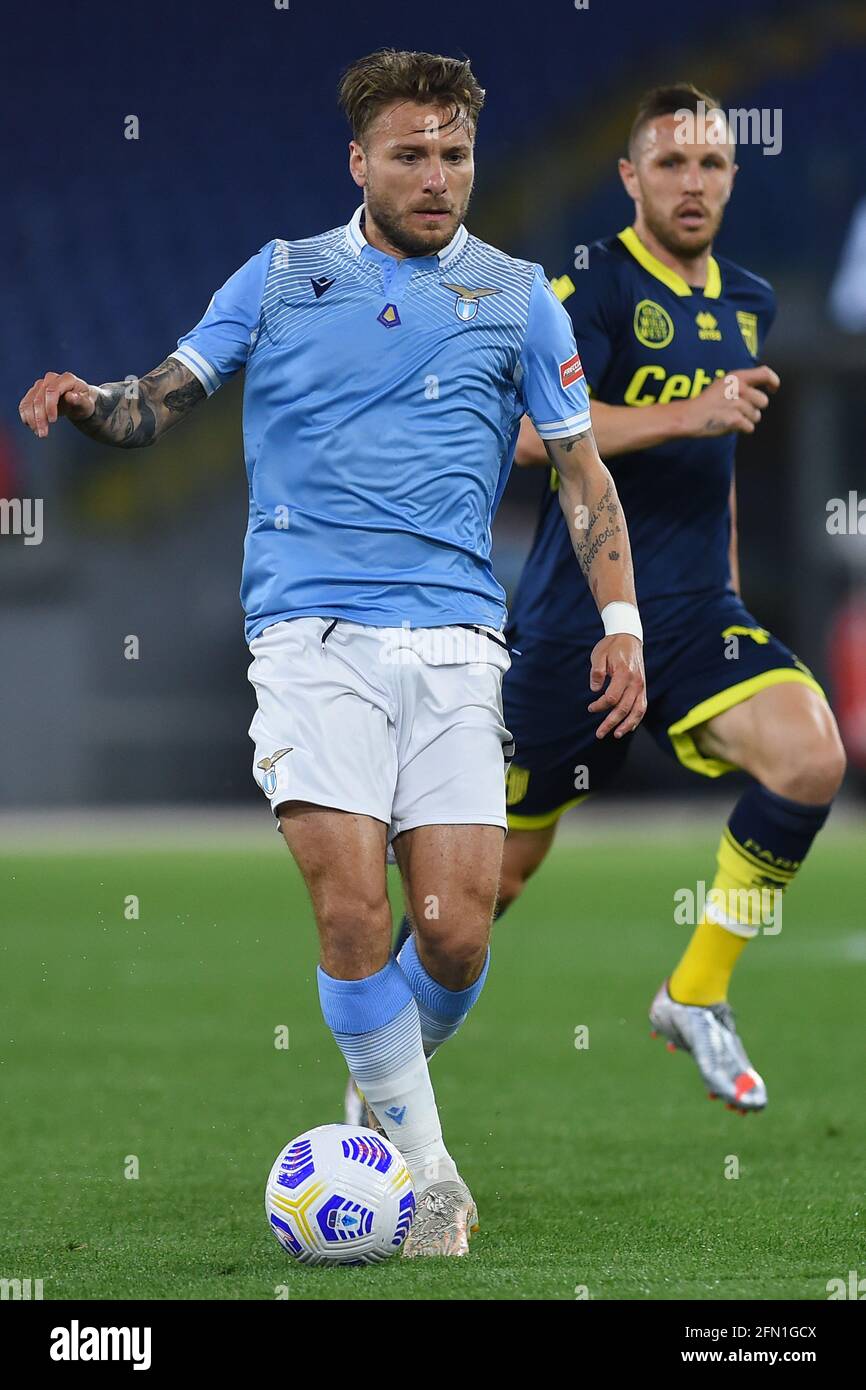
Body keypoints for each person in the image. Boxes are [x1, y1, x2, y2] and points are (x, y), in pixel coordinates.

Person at [19, 49, 645, 1253]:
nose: (436, 175)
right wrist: (97, 404)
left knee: (454, 932)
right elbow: (161, 398)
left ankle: (379, 1080)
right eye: (410, 154)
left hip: (458, 640)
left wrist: (620, 625)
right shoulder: (280, 277)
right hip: (309, 638)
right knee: (354, 911)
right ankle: (429, 1173)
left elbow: (580, 475)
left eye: (454, 153)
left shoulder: (518, 295)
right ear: (358, 161)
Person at [396, 82, 845, 1116]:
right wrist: (688, 413)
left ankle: (695, 994)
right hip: (577, 629)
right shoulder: (587, 287)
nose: (692, 182)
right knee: (485, 892)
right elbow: (526, 436)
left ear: (732, 176)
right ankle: (378, 1081)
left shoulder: (749, 301)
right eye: (670, 162)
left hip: (694, 615)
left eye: (711, 164)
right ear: (629, 176)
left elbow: (718, 464)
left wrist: (728, 585)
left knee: (810, 755)